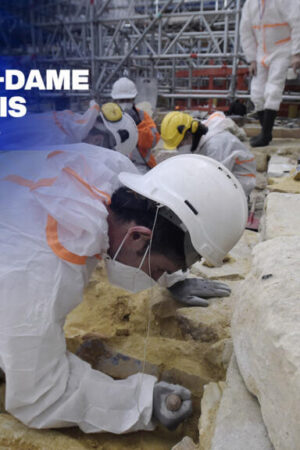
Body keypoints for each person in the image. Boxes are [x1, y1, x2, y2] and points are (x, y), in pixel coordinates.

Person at [0, 144, 247, 434]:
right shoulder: (44, 265)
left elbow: (156, 228)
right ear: (138, 237)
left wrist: (174, 279)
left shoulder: (119, 179)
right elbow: (40, 395)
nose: (155, 281)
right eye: (159, 271)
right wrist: (141, 403)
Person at [240, 0, 300, 147]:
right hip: (262, 51)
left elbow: (297, 21)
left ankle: (265, 135)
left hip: (282, 47)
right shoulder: (251, 4)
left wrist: (296, 52)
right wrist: (252, 58)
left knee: (273, 90)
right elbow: (246, 31)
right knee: (257, 93)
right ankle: (265, 132)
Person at [160, 111, 256, 199]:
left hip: (239, 183)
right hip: (222, 174)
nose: (179, 149)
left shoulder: (215, 146)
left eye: (180, 145)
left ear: (188, 135)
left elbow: (214, 181)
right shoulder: (198, 136)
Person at [111, 77, 160, 173]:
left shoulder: (142, 116)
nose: (124, 104)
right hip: (116, 165)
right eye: (121, 100)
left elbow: (152, 142)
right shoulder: (107, 118)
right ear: (114, 101)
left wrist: (139, 124)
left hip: (141, 166)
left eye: (127, 100)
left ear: (133, 99)